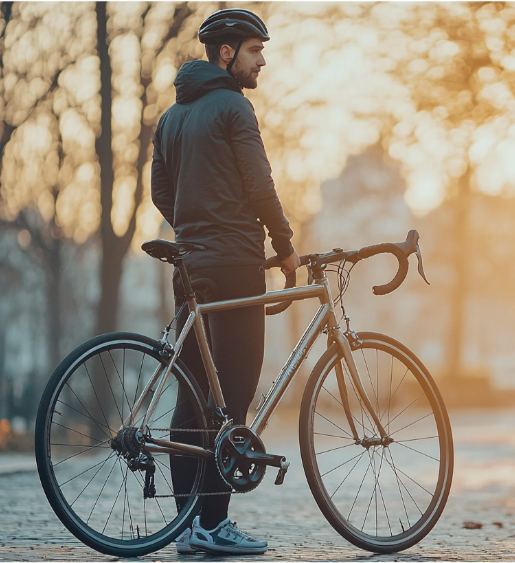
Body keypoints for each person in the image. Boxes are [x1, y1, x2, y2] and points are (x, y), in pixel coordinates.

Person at [150, 8, 299, 555]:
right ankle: (212, 525)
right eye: (256, 51)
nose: (263, 61)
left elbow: (160, 194)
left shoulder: (170, 118)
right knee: (231, 397)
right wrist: (284, 246)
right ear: (227, 53)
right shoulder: (235, 107)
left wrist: (195, 226)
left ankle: (186, 524)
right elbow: (260, 185)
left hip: (189, 267)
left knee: (191, 400)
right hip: (237, 264)